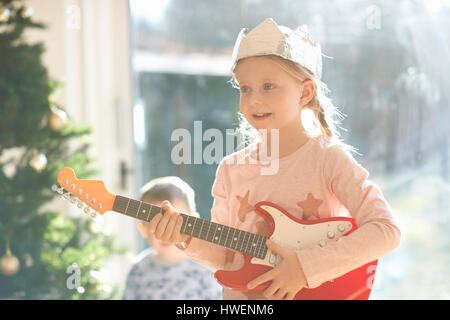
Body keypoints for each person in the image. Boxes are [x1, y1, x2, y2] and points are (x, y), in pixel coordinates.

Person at [148, 18, 401, 300]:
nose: (254, 99)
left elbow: (386, 230)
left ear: (304, 93)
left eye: (268, 86)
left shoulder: (328, 159)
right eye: (245, 88)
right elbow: (226, 256)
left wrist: (305, 268)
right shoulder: (230, 170)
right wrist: (185, 236)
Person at [123, 176, 222, 300]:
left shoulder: (207, 269)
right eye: (157, 224)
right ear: (143, 230)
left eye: (176, 223)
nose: (167, 233)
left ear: (194, 224)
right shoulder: (138, 269)